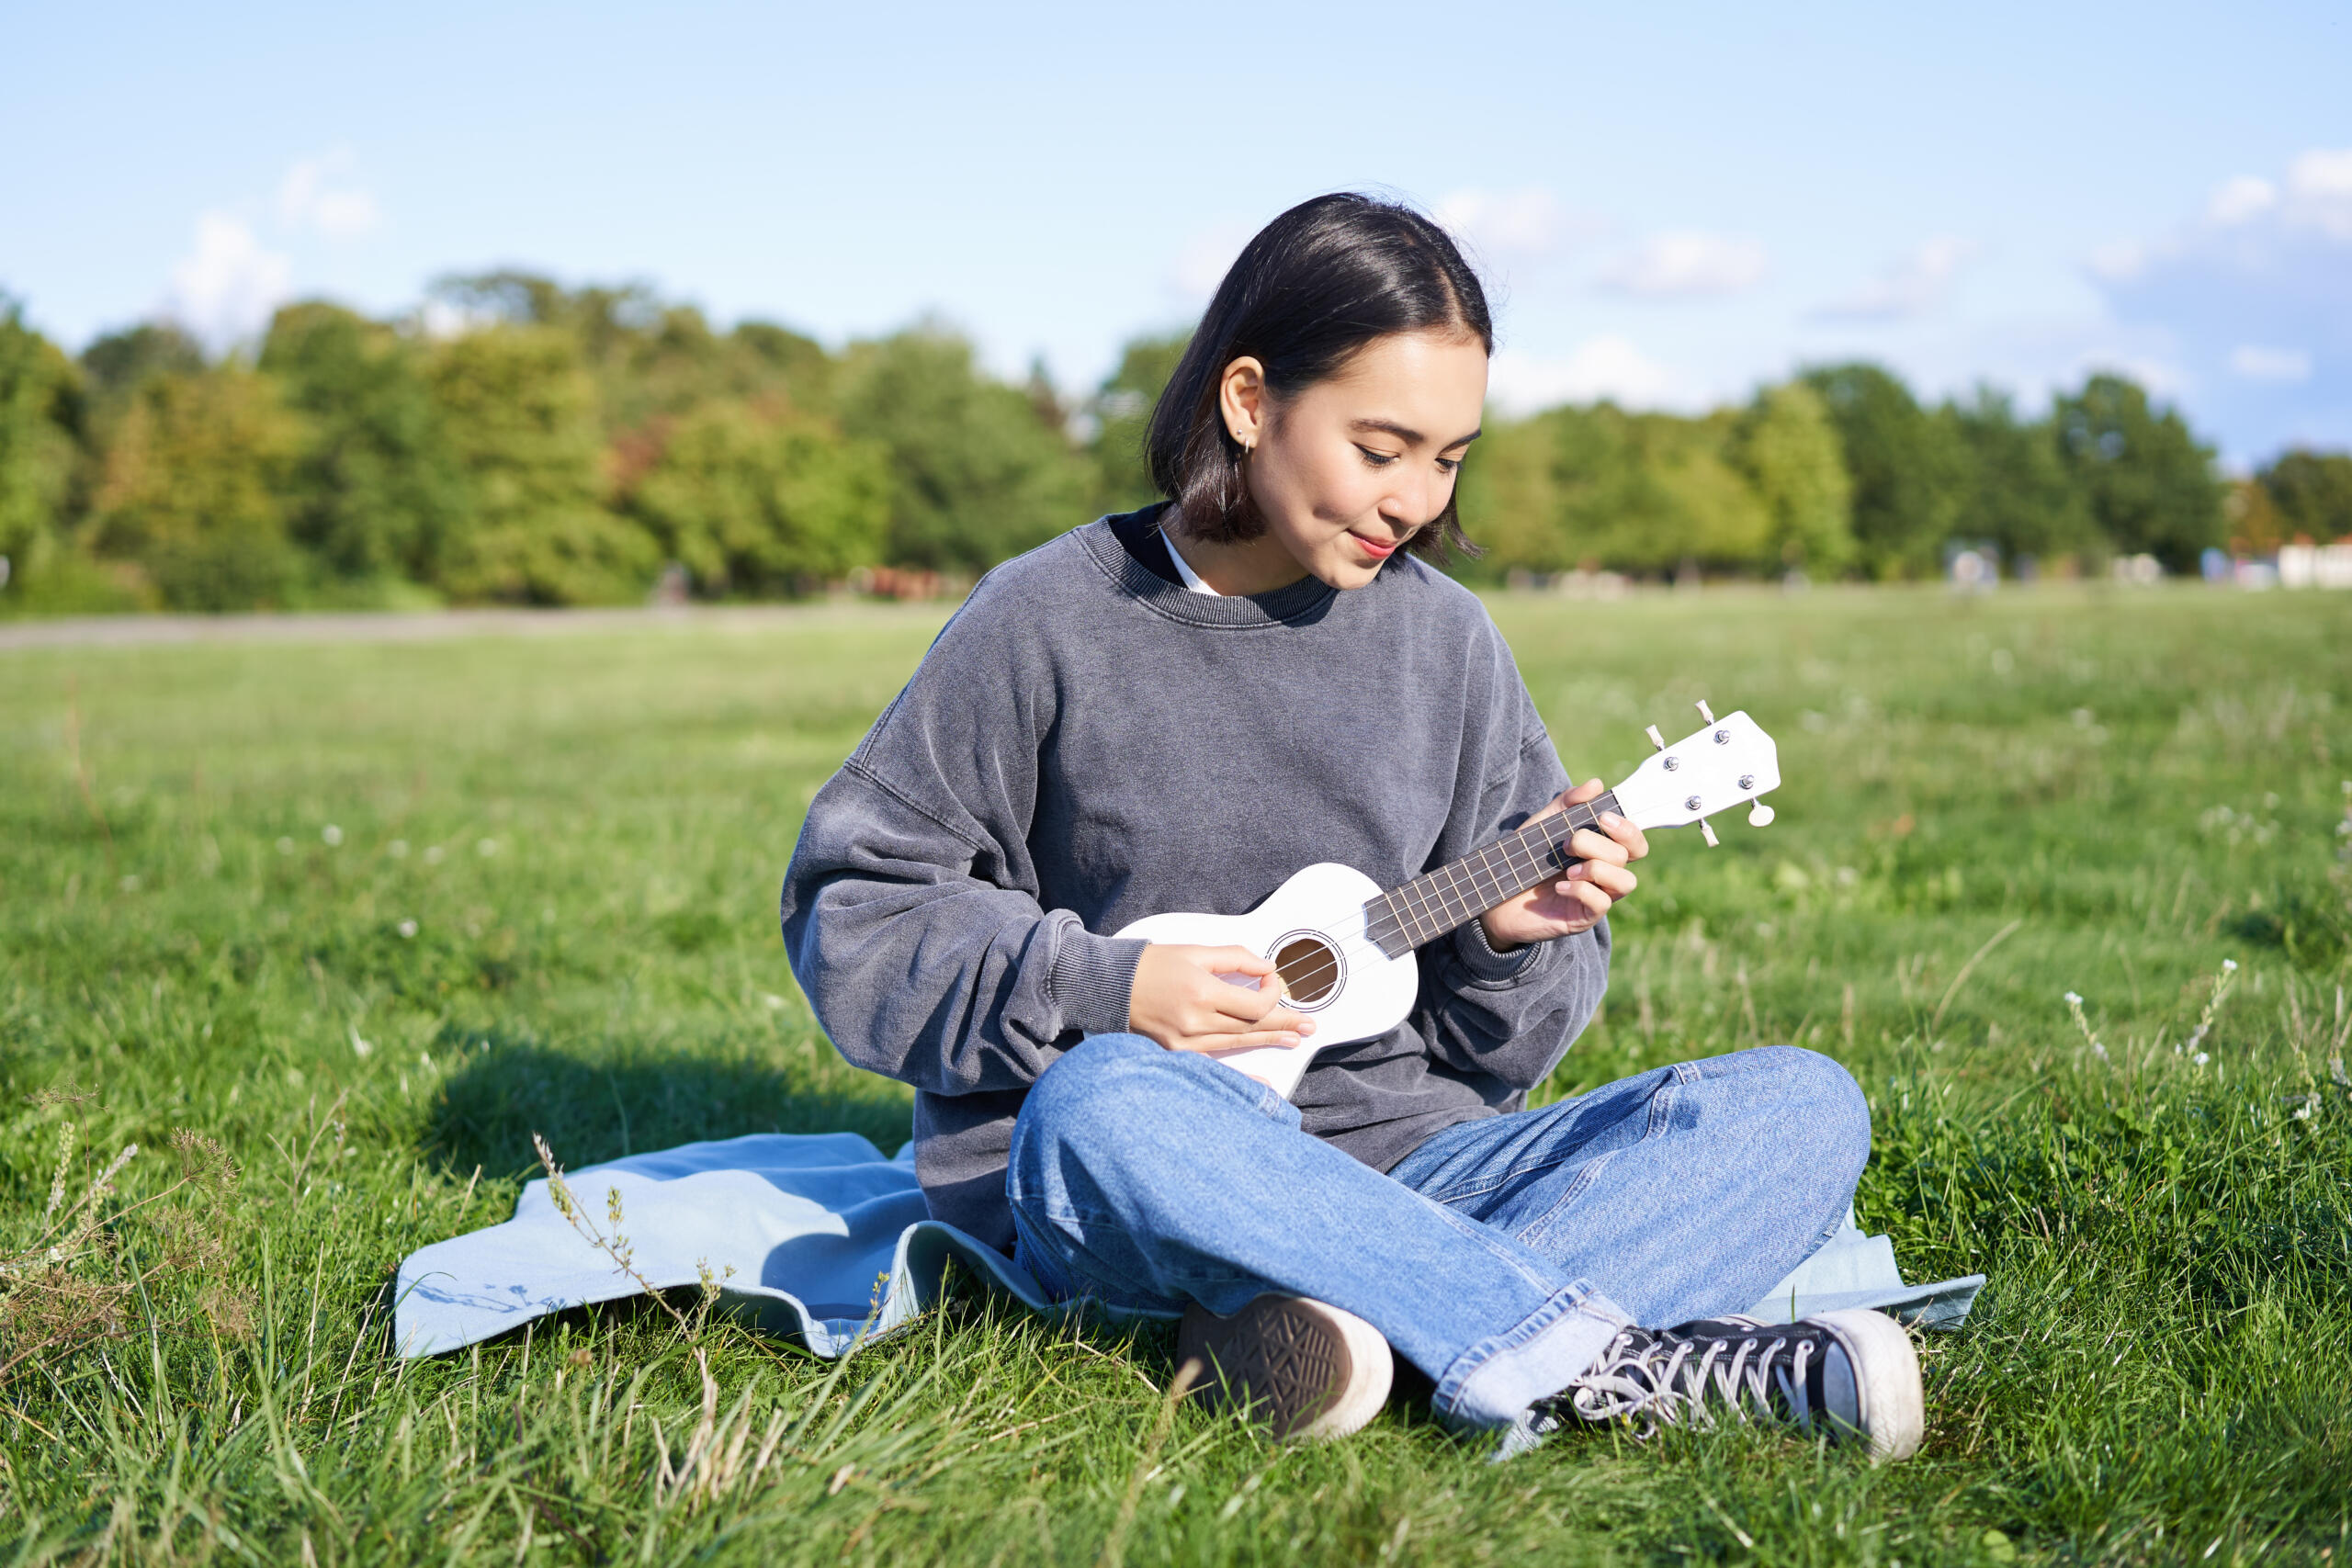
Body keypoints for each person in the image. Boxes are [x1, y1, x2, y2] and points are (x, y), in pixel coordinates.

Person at [780, 193, 1924, 1461]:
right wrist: (1110, 986)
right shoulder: (1048, 619)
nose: (1414, 503)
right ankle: (1613, 1358)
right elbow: (856, 913)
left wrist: (1506, 940)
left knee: (1804, 1108)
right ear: (1251, 401)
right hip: (1149, 1178)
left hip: (1407, 1164)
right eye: (1381, 448)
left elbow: (1504, 1057)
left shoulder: (1449, 644)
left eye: (1449, 457)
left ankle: (1332, 1329)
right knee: (1105, 1102)